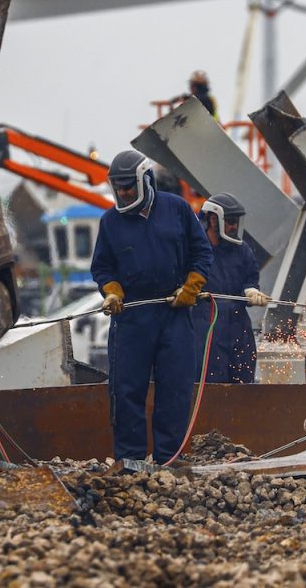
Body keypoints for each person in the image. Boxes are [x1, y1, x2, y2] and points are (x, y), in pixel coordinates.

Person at [91, 150, 213, 464]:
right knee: (126, 389)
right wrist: (112, 291)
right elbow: (102, 267)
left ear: (145, 180)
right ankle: (130, 459)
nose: (123, 193)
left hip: (175, 314)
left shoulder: (178, 209)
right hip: (132, 317)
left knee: (175, 388)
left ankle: (169, 458)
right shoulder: (110, 222)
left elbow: (201, 252)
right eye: (118, 188)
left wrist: (192, 286)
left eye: (128, 187)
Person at [191, 193, 270, 383]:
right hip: (207, 325)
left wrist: (251, 290)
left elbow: (250, 278)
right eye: (231, 222)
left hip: (238, 326)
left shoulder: (242, 249)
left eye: (236, 222)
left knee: (243, 381)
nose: (234, 227)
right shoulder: (194, 249)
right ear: (213, 219)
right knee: (210, 383)